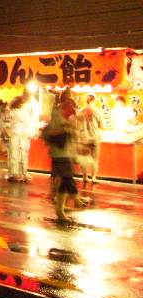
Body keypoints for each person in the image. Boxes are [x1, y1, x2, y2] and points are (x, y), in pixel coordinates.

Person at [42, 91, 84, 222]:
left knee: (64, 182)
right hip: (59, 153)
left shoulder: (65, 118)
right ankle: (74, 199)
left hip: (65, 152)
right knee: (67, 178)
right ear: (66, 105)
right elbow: (50, 133)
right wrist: (66, 128)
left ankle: (61, 209)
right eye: (72, 109)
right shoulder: (57, 115)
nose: (73, 112)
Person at [76, 94, 104, 185]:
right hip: (95, 137)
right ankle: (94, 177)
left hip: (84, 138)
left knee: (84, 158)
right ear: (94, 100)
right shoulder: (97, 111)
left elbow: (77, 125)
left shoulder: (81, 111)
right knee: (95, 158)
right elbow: (101, 125)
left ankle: (85, 176)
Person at [6, 95, 31, 182]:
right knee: (14, 154)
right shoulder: (10, 112)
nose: (23, 105)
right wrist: (10, 134)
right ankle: (14, 174)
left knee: (23, 154)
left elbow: (28, 123)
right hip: (14, 135)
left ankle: (23, 173)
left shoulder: (25, 112)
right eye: (22, 103)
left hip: (22, 135)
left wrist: (26, 133)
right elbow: (6, 124)